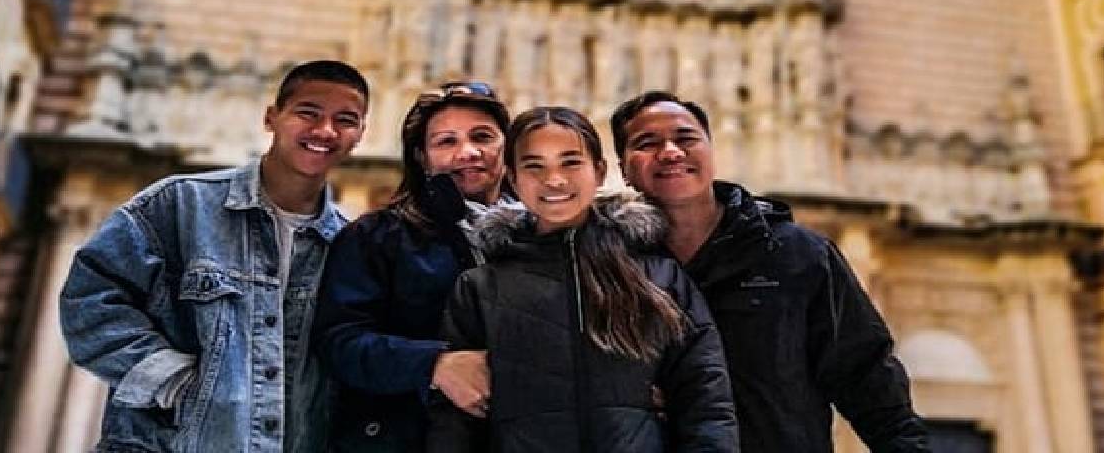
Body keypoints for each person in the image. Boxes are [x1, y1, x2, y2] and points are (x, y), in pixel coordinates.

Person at [59, 59, 369, 453]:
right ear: (271, 117)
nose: (325, 130)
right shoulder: (178, 203)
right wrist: (171, 380)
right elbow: (89, 298)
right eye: (308, 112)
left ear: (360, 134)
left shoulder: (351, 242)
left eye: (345, 120)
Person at [610, 91, 930, 453]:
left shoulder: (799, 253)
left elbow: (865, 373)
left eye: (686, 138)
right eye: (647, 143)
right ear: (624, 168)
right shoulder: (609, 266)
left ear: (711, 152)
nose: (670, 151)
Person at [427, 106, 738, 452]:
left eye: (571, 162)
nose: (555, 179)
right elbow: (455, 420)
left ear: (600, 171)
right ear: (513, 179)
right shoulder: (481, 287)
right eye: (535, 166)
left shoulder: (658, 276)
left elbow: (705, 399)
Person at [312, 81, 513, 451]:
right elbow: (339, 341)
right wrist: (433, 364)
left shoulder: (542, 235)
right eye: (446, 142)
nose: (468, 152)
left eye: (482, 137)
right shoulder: (376, 237)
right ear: (422, 157)